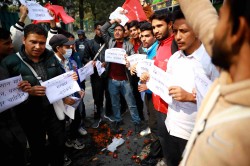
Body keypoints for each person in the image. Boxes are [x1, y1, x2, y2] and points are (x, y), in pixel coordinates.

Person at [177, 0, 250, 165]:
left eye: (221, 19)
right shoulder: (234, 64)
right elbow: (201, 14)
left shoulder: (241, 140)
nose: (213, 29)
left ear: (239, 31)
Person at [1, 24, 66, 166]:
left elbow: (61, 78)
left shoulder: (50, 56)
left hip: (53, 111)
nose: (38, 47)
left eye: (42, 43)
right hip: (29, 115)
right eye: (33, 42)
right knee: (38, 149)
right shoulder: (9, 63)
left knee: (59, 144)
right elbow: (5, 96)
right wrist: (27, 92)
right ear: (24, 40)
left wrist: (70, 89)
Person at [164, 9, 219, 166]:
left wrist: (191, 97)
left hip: (195, 135)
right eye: (175, 31)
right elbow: (167, 86)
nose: (178, 37)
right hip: (171, 127)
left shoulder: (212, 62)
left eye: (184, 31)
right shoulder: (174, 58)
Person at [140, 12, 177, 164]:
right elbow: (156, 67)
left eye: (159, 26)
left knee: (176, 145)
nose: (155, 30)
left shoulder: (177, 45)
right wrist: (147, 74)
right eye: (154, 27)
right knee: (164, 139)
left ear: (170, 25)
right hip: (158, 105)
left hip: (173, 109)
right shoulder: (160, 45)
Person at [100, 18, 141, 133]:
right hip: (112, 80)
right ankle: (118, 120)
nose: (117, 32)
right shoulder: (110, 42)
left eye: (120, 30)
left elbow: (134, 60)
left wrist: (130, 62)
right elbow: (102, 30)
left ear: (124, 33)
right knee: (115, 103)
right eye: (115, 30)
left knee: (131, 103)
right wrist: (112, 21)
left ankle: (137, 122)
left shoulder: (129, 45)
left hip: (126, 80)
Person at [0, 27, 31, 166]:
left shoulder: (6, 64)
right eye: (6, 43)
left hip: (14, 126)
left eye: (11, 42)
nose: (11, 46)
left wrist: (22, 90)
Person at [49, 34, 86, 150]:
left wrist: (79, 90)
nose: (70, 49)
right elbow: (51, 87)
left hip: (73, 98)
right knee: (61, 125)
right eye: (67, 47)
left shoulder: (69, 61)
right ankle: (62, 150)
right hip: (59, 101)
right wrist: (63, 99)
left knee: (76, 119)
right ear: (58, 48)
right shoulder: (51, 64)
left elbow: (72, 79)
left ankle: (72, 138)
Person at [83, 22, 114, 128]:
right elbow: (84, 58)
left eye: (102, 29)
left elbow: (113, 56)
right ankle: (97, 117)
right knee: (97, 97)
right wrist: (93, 63)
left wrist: (107, 63)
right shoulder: (89, 43)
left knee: (109, 95)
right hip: (96, 76)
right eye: (98, 29)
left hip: (108, 74)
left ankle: (108, 113)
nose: (100, 31)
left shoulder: (109, 42)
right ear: (94, 30)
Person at [128, 20, 145, 121]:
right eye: (131, 31)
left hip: (144, 74)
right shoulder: (130, 43)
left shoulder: (145, 41)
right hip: (134, 74)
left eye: (135, 30)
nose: (133, 32)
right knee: (137, 95)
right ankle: (140, 115)